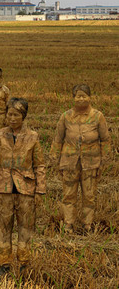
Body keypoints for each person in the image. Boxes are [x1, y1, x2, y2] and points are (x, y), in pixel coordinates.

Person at [0, 98, 45, 275]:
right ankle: (4, 263)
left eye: (16, 115)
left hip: (26, 188)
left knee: (26, 227)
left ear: (23, 116)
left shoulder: (33, 137)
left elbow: (39, 165)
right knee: (3, 226)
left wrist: (40, 190)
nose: (12, 118)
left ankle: (24, 262)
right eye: (9, 114)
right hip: (3, 187)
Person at [50, 84, 110, 233]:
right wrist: (54, 158)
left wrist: (104, 160)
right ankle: (68, 224)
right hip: (69, 163)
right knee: (69, 195)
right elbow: (58, 139)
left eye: (84, 95)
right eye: (78, 95)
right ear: (73, 98)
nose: (81, 98)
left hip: (91, 163)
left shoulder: (98, 116)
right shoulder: (65, 116)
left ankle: (87, 225)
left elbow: (105, 140)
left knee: (89, 195)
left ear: (90, 98)